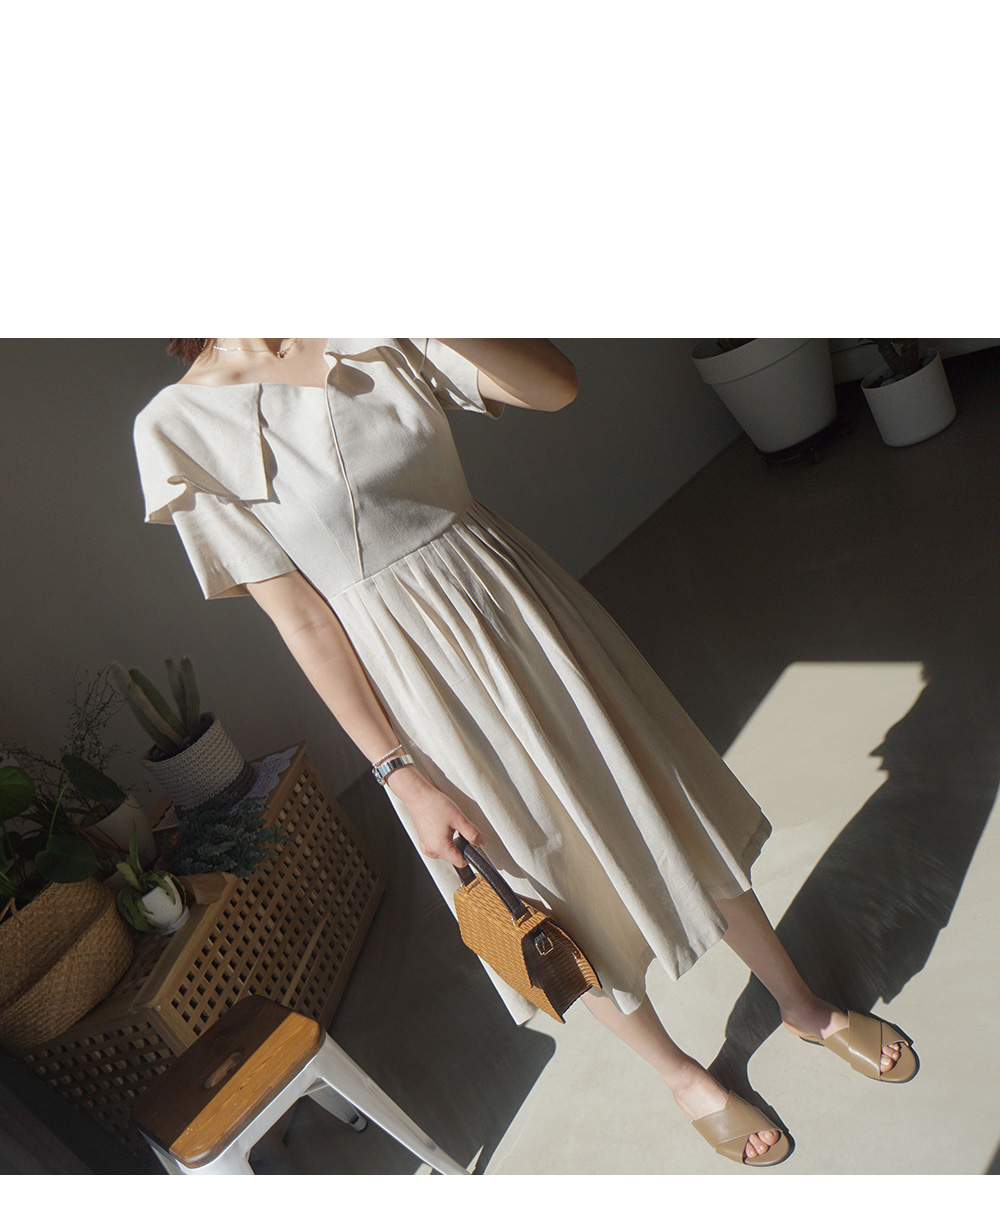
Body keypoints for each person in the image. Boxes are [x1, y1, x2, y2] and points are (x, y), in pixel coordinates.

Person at [133, 338, 917, 1168]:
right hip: (418, 693)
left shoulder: (370, 326)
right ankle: (681, 1075)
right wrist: (400, 775)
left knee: (658, 796)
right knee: (537, 885)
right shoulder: (181, 425)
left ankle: (800, 1004)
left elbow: (555, 388)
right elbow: (303, 622)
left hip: (522, 610)